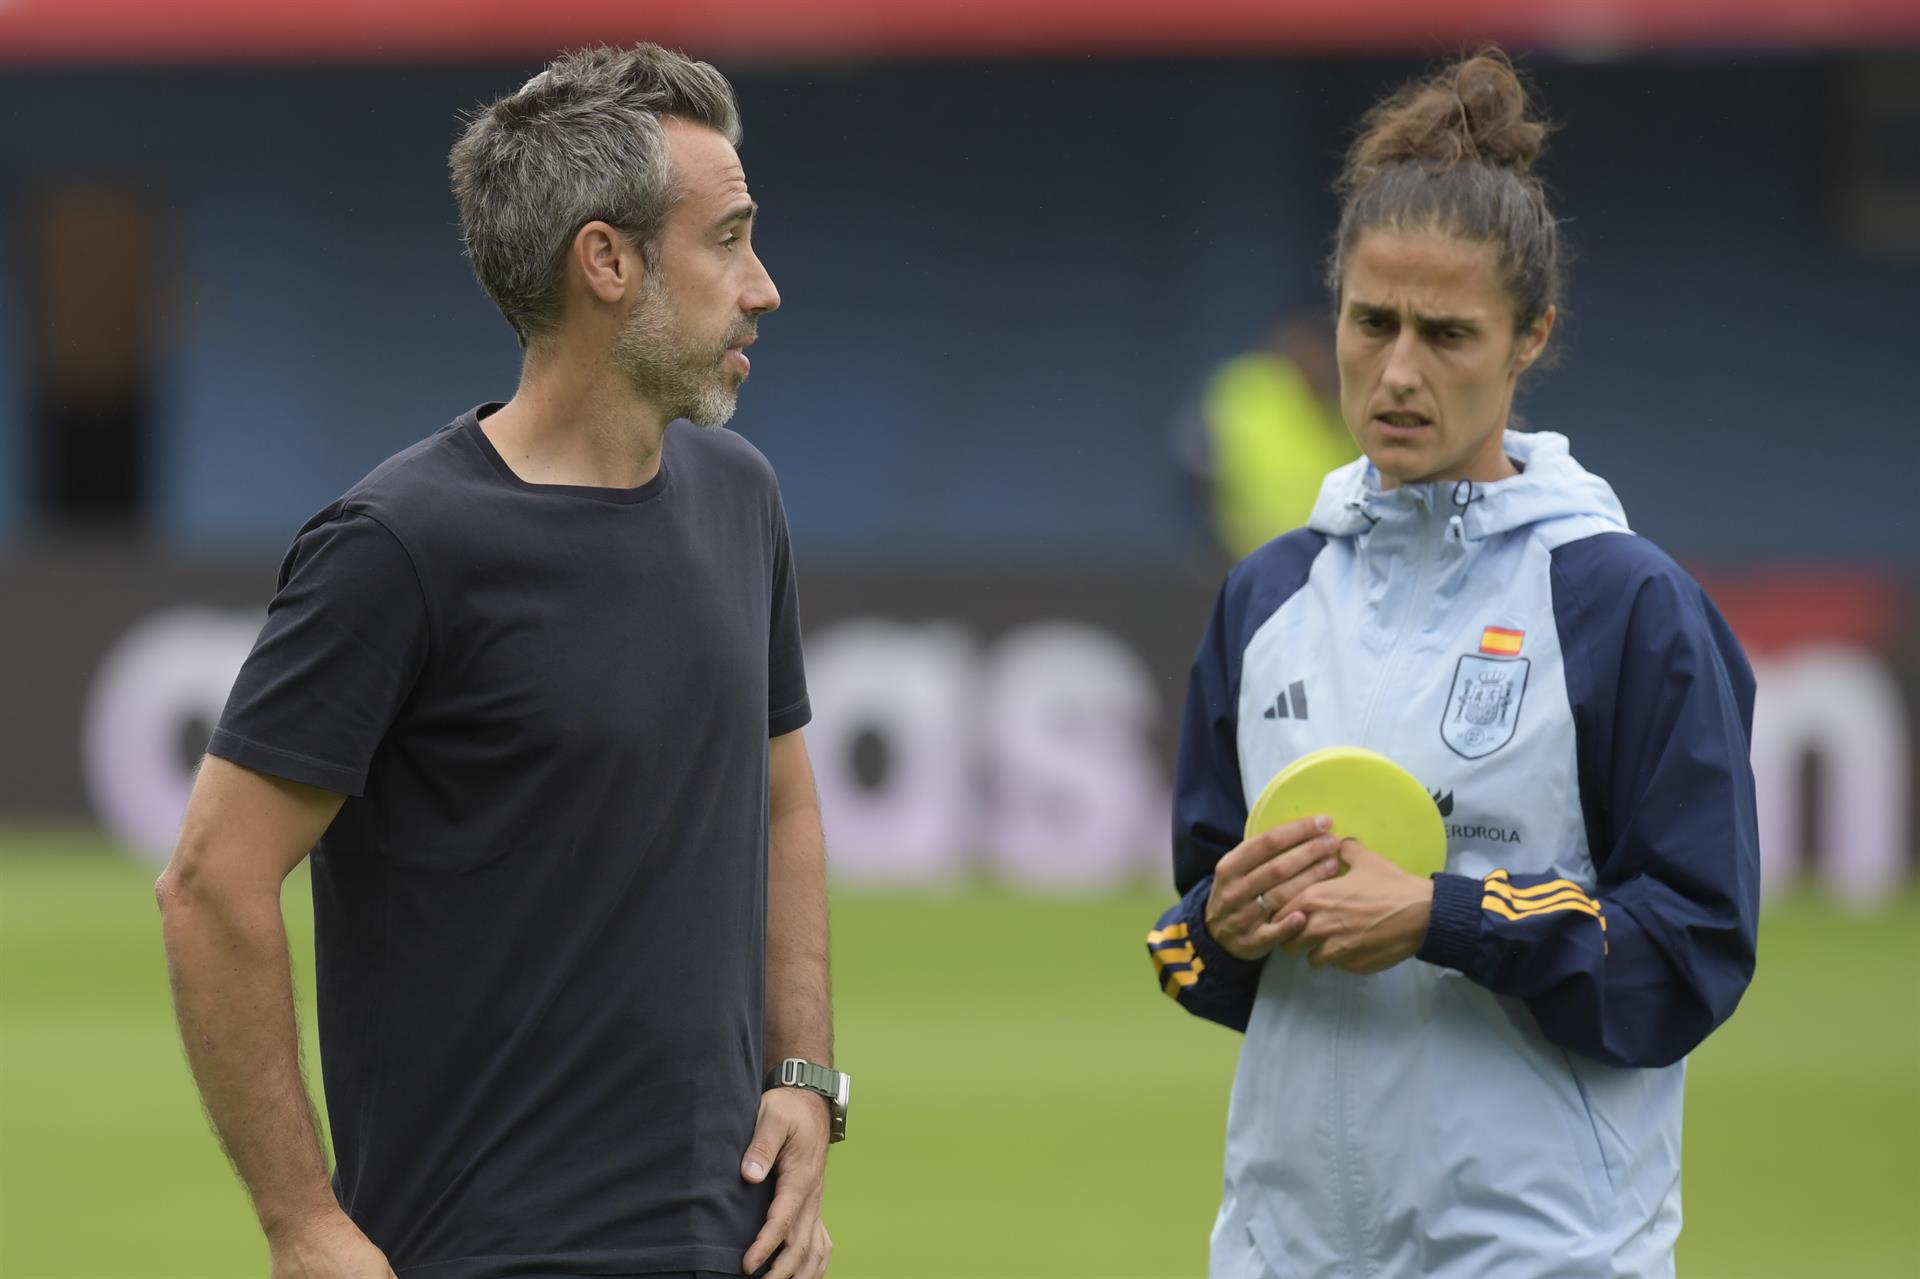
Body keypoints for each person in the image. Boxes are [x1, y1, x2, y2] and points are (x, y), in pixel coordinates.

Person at [156, 45, 844, 1279]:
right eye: (729, 238)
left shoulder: (743, 496)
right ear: (608, 260)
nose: (764, 287)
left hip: (729, 1241)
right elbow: (211, 882)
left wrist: (803, 1078)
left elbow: (784, 802)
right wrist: (302, 1223)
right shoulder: (398, 547)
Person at [1144, 50, 1758, 1279]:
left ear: (1529, 336)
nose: (1401, 372)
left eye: (1448, 333)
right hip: (1282, 1250)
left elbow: (1690, 950)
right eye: (1372, 324)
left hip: (1539, 1250)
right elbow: (1196, 938)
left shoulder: (1626, 603)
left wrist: (1441, 914)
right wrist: (1225, 923)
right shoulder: (1266, 600)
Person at [1173, 313, 1357, 562]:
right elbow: (1194, 469)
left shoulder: (1346, 404)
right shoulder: (1246, 389)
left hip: (1320, 565)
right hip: (1245, 558)